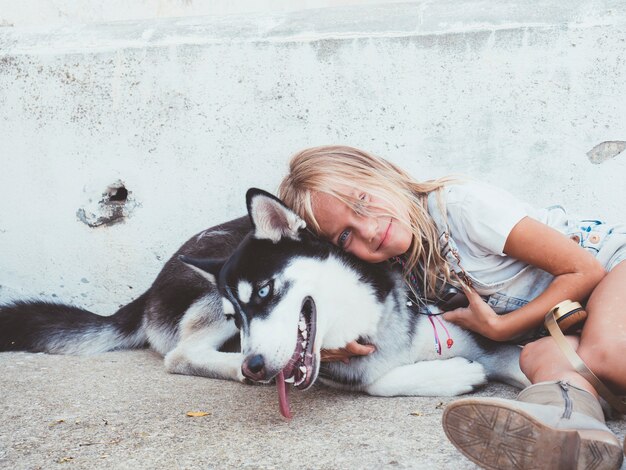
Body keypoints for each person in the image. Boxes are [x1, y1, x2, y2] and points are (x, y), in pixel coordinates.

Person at [277, 145, 626, 469]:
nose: (367, 229)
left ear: (379, 174)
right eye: (344, 236)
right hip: (578, 320)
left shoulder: (460, 208)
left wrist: (502, 328)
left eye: (362, 202)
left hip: (612, 265)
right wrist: (329, 346)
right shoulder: (399, 269)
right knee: (539, 360)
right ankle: (574, 439)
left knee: (602, 355)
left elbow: (584, 269)